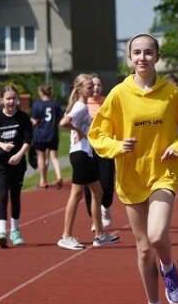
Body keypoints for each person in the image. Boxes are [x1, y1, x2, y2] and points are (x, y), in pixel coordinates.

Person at [88, 33, 178, 304]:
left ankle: (169, 269)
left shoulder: (171, 93)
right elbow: (97, 134)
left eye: (148, 52)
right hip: (130, 176)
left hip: (163, 173)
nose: (142, 57)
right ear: (129, 58)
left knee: (156, 235)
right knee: (141, 249)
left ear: (157, 56)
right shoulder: (118, 94)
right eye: (136, 52)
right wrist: (116, 145)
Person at [56, 73, 120, 251]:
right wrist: (78, 130)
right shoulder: (80, 106)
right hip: (80, 155)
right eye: (89, 87)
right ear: (79, 89)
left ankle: (100, 234)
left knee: (98, 192)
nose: (93, 89)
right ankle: (66, 236)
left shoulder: (81, 105)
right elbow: (64, 122)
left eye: (94, 86)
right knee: (76, 195)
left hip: (86, 154)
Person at [0, 85, 32, 248]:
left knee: (15, 197)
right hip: (1, 164)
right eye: (8, 98)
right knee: (3, 195)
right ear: (2, 100)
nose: (11, 101)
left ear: (17, 99)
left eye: (13, 98)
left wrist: (19, 155)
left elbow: (27, 140)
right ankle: (2, 231)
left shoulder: (23, 118)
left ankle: (15, 230)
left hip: (17, 163)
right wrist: (3, 146)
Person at [84, 73, 116, 229]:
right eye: (93, 85)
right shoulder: (83, 103)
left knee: (106, 181)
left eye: (98, 85)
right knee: (89, 184)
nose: (95, 88)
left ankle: (106, 207)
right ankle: (95, 218)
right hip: (87, 149)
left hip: (105, 147)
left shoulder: (107, 102)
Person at [30, 84, 64, 189]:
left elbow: (34, 120)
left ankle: (43, 180)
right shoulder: (55, 104)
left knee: (41, 157)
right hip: (52, 134)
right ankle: (58, 176)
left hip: (40, 135)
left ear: (41, 92)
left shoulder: (37, 104)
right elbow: (60, 118)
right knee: (54, 157)